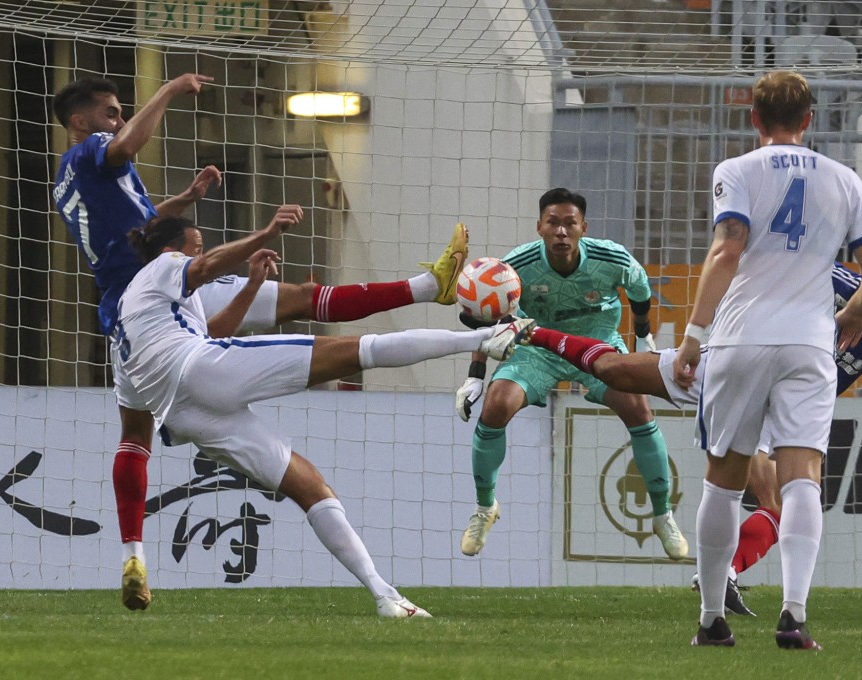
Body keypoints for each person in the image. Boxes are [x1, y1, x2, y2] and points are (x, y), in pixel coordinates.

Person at [52, 74, 470, 610]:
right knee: (300, 299)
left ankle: (133, 550)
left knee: (136, 430)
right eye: (110, 113)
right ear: (81, 123)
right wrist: (172, 89)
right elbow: (133, 151)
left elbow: (136, 228)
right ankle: (430, 289)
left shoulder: (68, 180)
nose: (117, 120)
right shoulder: (94, 151)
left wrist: (185, 198)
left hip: (131, 321)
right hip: (161, 288)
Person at [115, 206, 534, 618]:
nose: (200, 254)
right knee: (358, 350)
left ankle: (385, 596)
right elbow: (202, 270)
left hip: (188, 414)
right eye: (197, 246)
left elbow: (134, 440)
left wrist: (250, 286)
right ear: (173, 250)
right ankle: (487, 336)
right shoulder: (166, 265)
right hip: (200, 369)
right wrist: (264, 235)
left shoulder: (127, 329)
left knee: (308, 484)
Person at [523, 236, 862, 619]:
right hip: (737, 369)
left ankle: (724, 578)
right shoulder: (829, 278)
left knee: (781, 505)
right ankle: (529, 332)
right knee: (616, 372)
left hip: (781, 409)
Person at [674, 70, 862, 650]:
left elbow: (727, 250)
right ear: (810, 120)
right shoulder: (844, 180)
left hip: (741, 337)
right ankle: (793, 617)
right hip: (809, 342)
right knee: (803, 480)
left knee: (723, 482)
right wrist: (857, 311)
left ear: (754, 118)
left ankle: (712, 621)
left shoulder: (737, 171)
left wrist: (693, 336)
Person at [454, 187, 688, 560]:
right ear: (540, 227)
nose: (561, 231)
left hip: (595, 344)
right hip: (538, 346)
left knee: (638, 408)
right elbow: (490, 318)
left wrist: (643, 339)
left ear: (583, 228)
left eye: (569, 224)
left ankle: (662, 515)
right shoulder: (516, 266)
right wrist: (476, 375)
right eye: (553, 223)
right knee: (495, 407)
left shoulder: (612, 257)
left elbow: (641, 293)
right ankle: (485, 508)